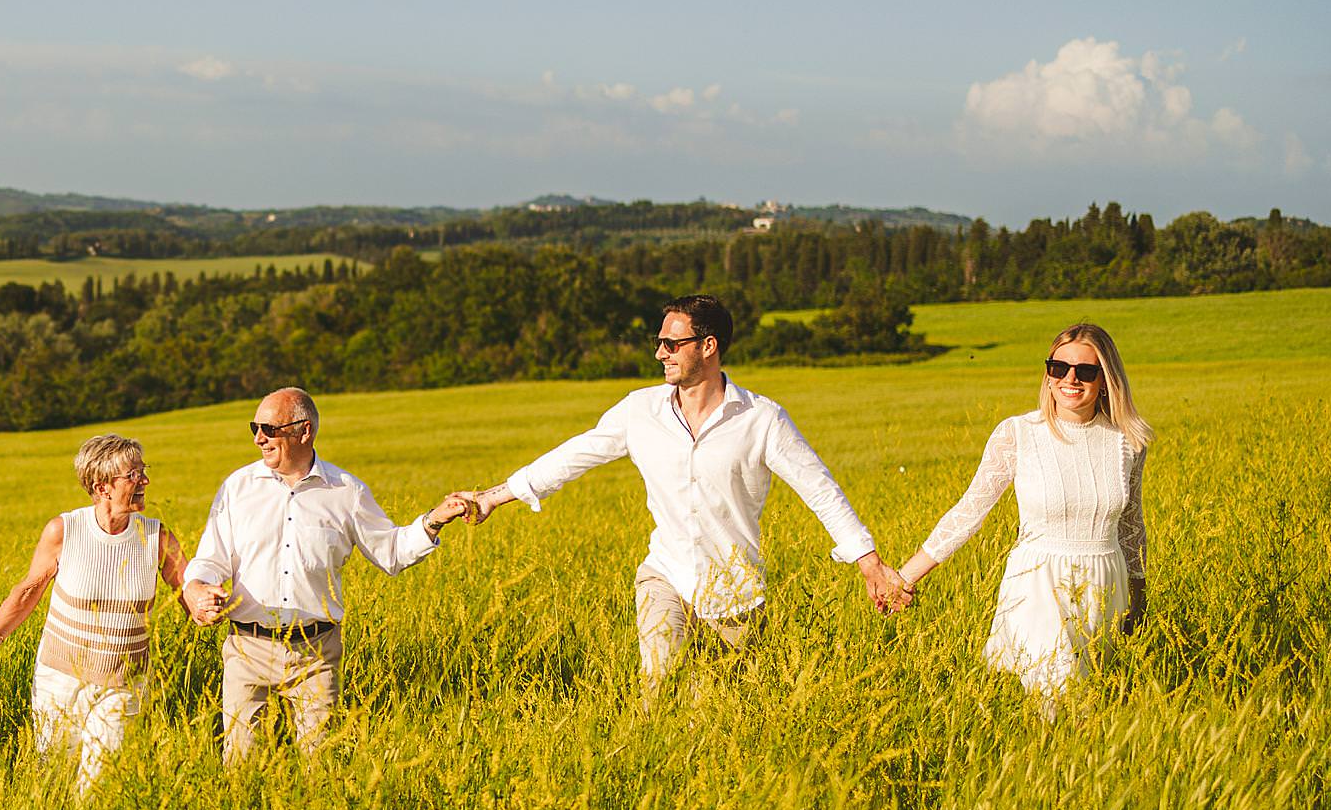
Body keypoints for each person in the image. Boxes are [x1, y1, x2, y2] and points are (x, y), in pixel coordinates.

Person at [456, 295, 906, 679]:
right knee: (660, 689)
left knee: (717, 718)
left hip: (736, 595)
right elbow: (570, 458)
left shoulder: (762, 419)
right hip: (665, 576)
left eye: (672, 344)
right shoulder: (640, 411)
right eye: (659, 344)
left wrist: (869, 564)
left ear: (708, 346)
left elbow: (820, 491)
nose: (660, 354)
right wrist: (494, 497)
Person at [181, 387, 471, 761]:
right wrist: (198, 586)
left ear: (304, 431)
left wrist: (434, 520)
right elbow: (211, 558)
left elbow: (392, 552)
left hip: (316, 656)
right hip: (247, 650)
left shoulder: (346, 492)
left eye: (269, 429)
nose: (258, 438)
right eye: (255, 427)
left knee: (323, 768)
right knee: (240, 766)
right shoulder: (237, 488)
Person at [895, 323, 1150, 703]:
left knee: (1095, 703)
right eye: (1058, 368)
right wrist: (903, 578)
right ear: (1047, 375)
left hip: (1105, 587)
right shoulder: (1018, 433)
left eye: (1085, 371)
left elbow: (1132, 526)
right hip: (1038, 584)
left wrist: (1140, 598)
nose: (1070, 380)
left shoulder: (1128, 441)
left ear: (1106, 379)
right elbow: (970, 511)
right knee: (1059, 699)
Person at [0, 433, 189, 792]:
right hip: (60, 680)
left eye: (143, 471)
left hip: (124, 683)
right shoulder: (65, 530)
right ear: (103, 487)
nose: (145, 482)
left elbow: (188, 589)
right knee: (54, 778)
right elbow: (28, 591)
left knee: (100, 786)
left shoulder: (156, 536)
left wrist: (220, 607)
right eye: (134, 475)